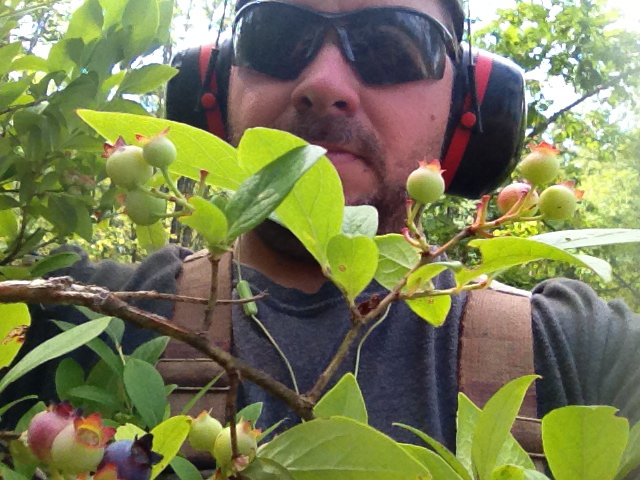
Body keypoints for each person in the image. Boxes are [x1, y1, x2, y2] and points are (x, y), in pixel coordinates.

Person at [2, 0, 640, 465]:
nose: (324, 86)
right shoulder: (72, 317)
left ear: (468, 108)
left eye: (394, 44)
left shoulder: (579, 351)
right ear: (215, 89)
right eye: (276, 36)